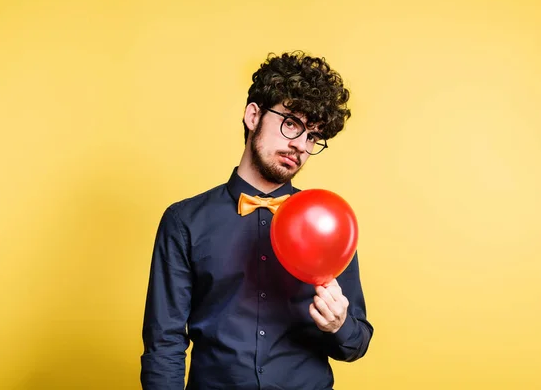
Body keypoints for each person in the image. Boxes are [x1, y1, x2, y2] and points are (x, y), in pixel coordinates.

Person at [141, 51, 374, 390]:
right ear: (253, 115)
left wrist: (339, 325)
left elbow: (357, 343)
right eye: (291, 123)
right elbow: (164, 345)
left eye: (312, 136)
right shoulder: (184, 221)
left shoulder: (330, 222)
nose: (300, 145)